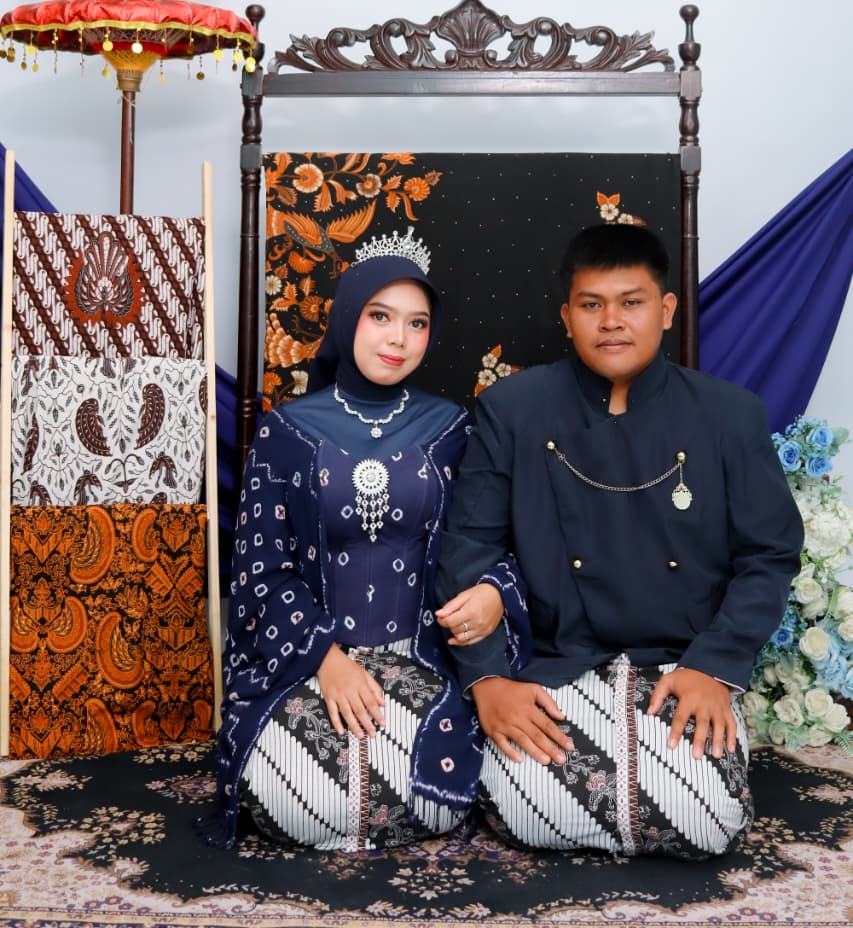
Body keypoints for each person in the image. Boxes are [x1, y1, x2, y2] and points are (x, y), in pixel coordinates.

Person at [434, 223, 804, 860]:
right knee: (527, 814)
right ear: (566, 317)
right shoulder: (513, 408)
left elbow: (769, 554)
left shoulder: (729, 414)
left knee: (705, 820)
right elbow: (469, 547)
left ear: (666, 310)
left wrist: (716, 665)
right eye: (591, 304)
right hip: (554, 661)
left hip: (683, 662)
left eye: (631, 302)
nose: (611, 321)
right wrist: (488, 679)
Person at [207, 229, 512, 852]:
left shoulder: (452, 427)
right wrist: (327, 660)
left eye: (417, 323)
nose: (398, 339)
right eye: (380, 316)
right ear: (348, 317)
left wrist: (494, 591)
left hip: (424, 658)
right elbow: (259, 571)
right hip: (308, 660)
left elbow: (494, 541)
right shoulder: (286, 431)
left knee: (451, 789)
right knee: (289, 798)